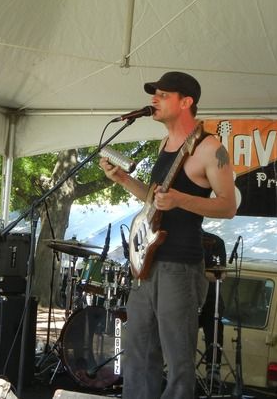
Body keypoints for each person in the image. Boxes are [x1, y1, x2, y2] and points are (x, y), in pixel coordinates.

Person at [99, 71, 236, 399]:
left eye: (163, 95)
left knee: (178, 364)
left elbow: (228, 206)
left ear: (186, 102)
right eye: (154, 94)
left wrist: (180, 200)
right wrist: (123, 180)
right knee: (138, 354)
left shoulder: (211, 148)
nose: (154, 100)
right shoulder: (164, 144)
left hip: (180, 267)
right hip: (147, 265)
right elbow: (156, 200)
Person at [199, 231, 227, 383]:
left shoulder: (215, 241)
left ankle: (213, 368)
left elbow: (221, 274)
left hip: (210, 300)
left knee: (215, 324)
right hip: (186, 299)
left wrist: (195, 273)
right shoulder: (176, 239)